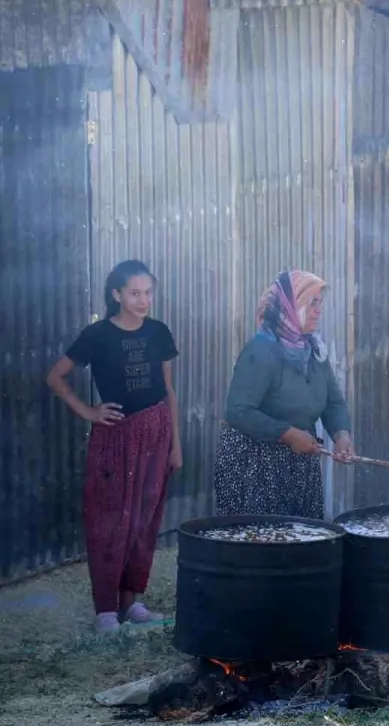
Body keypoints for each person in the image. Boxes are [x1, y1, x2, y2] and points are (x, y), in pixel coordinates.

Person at [46, 260, 182, 634]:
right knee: (109, 520)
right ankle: (105, 611)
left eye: (148, 292)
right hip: (116, 437)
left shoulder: (158, 332)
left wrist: (175, 445)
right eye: (135, 293)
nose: (143, 300)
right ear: (116, 295)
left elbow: (168, 390)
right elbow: (55, 377)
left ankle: (132, 602)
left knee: (145, 519)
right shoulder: (97, 335)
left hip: (157, 433)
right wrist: (88, 411)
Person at [215, 270, 354, 519]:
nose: (318, 310)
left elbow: (333, 402)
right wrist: (288, 434)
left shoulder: (313, 351)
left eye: (320, 303)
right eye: (312, 302)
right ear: (290, 305)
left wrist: (341, 435)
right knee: (264, 545)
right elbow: (238, 412)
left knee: (301, 542)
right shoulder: (261, 351)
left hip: (299, 461)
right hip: (256, 465)